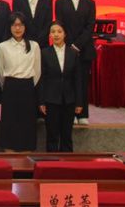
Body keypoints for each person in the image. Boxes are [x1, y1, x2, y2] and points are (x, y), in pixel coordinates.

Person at [54, 0, 96, 125]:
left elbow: (90, 26)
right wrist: (70, 45)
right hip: (66, 48)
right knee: (69, 82)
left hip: (84, 49)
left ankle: (83, 114)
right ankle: (70, 113)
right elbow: (60, 25)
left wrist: (77, 45)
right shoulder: (60, 2)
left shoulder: (90, 3)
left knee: (82, 82)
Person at [0, 12, 41, 152]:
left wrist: (27, 84)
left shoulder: (34, 46)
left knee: (27, 122)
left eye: (21, 25)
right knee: (9, 122)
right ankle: (9, 153)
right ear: (9, 27)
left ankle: (26, 153)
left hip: (28, 87)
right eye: (14, 25)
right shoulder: (2, 46)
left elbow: (37, 70)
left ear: (25, 27)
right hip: (9, 87)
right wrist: (8, 85)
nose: (17, 28)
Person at [39, 21, 83, 152]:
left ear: (65, 34)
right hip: (51, 99)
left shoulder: (73, 53)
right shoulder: (44, 53)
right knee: (52, 135)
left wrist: (79, 102)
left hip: (69, 100)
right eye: (53, 32)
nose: (56, 34)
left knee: (67, 135)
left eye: (59, 31)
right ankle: (51, 163)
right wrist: (41, 101)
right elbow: (42, 79)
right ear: (49, 35)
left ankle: (67, 162)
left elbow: (78, 80)